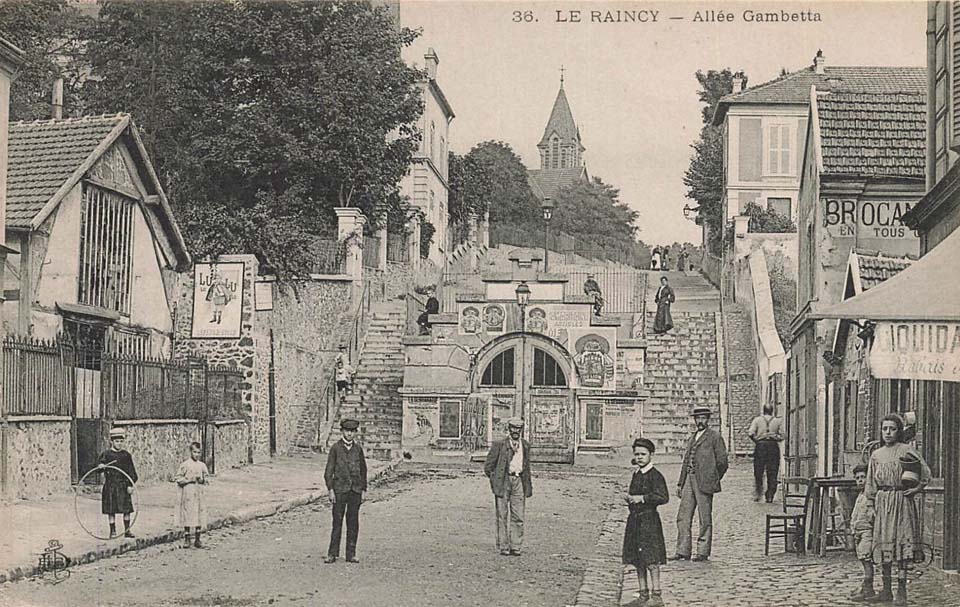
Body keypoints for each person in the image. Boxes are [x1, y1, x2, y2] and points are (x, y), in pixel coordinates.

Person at [863, 413, 930, 605]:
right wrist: (870, 505)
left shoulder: (906, 450)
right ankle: (886, 590)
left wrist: (915, 489)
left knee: (901, 545)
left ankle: (901, 591)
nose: (888, 433)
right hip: (882, 503)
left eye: (892, 429)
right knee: (885, 545)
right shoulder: (876, 454)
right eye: (885, 429)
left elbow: (925, 474)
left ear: (898, 431)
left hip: (901, 501)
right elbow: (870, 484)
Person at [672, 406, 728, 562]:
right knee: (683, 516)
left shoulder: (714, 437)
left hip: (705, 482)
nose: (700, 421)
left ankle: (703, 552)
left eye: (703, 418)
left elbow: (722, 462)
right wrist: (680, 483)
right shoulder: (693, 437)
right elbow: (685, 461)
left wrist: (713, 478)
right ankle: (683, 550)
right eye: (698, 418)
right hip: (689, 479)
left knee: (705, 518)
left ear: (708, 420)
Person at [622, 437, 669, 607]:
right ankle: (643, 594)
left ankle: (656, 596)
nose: (640, 457)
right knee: (637, 559)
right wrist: (629, 499)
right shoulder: (636, 474)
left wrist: (642, 498)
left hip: (649, 521)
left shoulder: (655, 475)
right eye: (637, 454)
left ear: (651, 455)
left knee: (651, 559)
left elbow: (663, 497)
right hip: (635, 521)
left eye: (643, 454)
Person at [484, 417, 532, 557]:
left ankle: (516, 546)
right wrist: (495, 480)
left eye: (518, 429)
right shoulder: (499, 445)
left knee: (518, 515)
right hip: (504, 481)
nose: (516, 431)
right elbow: (488, 466)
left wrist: (527, 484)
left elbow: (527, 467)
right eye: (513, 428)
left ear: (521, 430)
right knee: (502, 515)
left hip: (519, 481)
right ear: (509, 429)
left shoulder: (526, 446)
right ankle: (504, 546)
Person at [324, 418, 368, 564]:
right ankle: (332, 553)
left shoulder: (358, 449)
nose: (349, 434)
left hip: (355, 490)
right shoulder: (335, 449)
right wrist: (330, 490)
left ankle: (351, 553)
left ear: (355, 433)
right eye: (347, 431)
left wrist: (363, 489)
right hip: (340, 490)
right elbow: (328, 471)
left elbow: (363, 470)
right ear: (342, 431)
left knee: (353, 522)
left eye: (352, 431)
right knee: (337, 521)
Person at [97, 427, 139, 538]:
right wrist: (101, 467)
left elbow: (132, 473)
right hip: (110, 486)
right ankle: (113, 531)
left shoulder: (126, 455)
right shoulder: (106, 454)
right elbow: (98, 468)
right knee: (111, 509)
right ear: (112, 441)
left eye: (121, 441)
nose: (119, 444)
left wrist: (130, 485)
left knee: (126, 509)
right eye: (117, 441)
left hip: (123, 485)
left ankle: (127, 530)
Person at [848, 463, 876, 601]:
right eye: (857, 478)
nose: (860, 480)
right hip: (858, 533)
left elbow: (872, 515)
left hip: (867, 532)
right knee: (862, 559)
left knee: (866, 560)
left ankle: (868, 589)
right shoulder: (860, 495)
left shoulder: (871, 496)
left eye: (863, 477)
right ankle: (864, 586)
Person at [175, 441, 209, 549]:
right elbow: (178, 479)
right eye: (194, 452)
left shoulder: (202, 465)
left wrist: (202, 479)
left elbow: (207, 479)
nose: (197, 455)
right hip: (188, 493)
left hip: (198, 493)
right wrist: (188, 480)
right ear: (190, 452)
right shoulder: (185, 465)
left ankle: (198, 539)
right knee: (188, 514)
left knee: (199, 514)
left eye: (199, 452)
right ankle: (187, 538)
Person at [747, 404, 783, 503]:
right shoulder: (777, 421)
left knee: (758, 470)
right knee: (773, 471)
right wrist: (775, 437)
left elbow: (750, 433)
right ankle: (770, 495)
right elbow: (782, 436)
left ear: (763, 411)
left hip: (761, 446)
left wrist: (757, 440)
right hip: (773, 446)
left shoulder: (757, 420)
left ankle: (758, 493)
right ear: (772, 411)